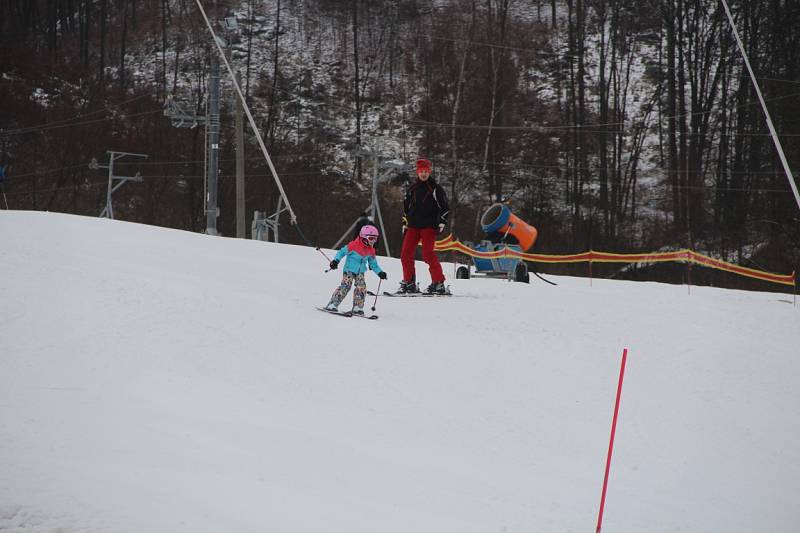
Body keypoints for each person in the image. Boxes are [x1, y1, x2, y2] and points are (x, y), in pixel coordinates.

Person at [398, 158, 449, 294]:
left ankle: (438, 282)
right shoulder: (412, 189)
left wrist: (442, 221)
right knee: (405, 253)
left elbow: (444, 207)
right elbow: (406, 208)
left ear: (429, 172)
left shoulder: (435, 188)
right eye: (421, 171)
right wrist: (405, 223)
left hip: (429, 225)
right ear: (417, 172)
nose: (424, 174)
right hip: (413, 225)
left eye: (426, 171)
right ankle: (409, 282)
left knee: (427, 254)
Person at [325, 224, 387, 315]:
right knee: (346, 285)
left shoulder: (371, 250)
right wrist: (335, 261)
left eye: (375, 239)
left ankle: (358, 307)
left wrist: (380, 273)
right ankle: (332, 304)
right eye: (371, 238)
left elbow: (373, 265)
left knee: (362, 288)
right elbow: (341, 252)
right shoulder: (353, 245)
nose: (373, 241)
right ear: (363, 237)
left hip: (360, 272)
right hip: (349, 270)